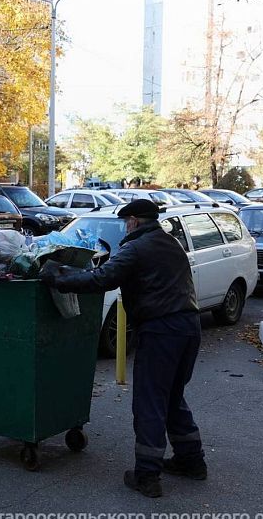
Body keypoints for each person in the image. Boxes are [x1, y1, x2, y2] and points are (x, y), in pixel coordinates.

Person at [39, 199, 205, 498]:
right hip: (189, 326)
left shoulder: (137, 248)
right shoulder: (170, 242)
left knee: (150, 402)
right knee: (172, 396)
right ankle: (192, 461)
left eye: (126, 221)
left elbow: (103, 278)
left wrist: (59, 280)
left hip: (161, 330)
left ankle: (147, 476)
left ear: (134, 221)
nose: (125, 226)